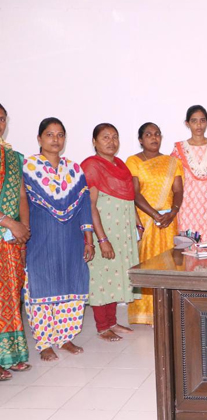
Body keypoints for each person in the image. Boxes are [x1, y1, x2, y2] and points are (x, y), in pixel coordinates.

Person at [23, 118, 94, 361]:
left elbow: (85, 204)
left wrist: (89, 239)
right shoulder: (28, 167)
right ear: (39, 138)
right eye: (50, 134)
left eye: (60, 134)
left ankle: (65, 337)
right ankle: (44, 342)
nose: (55, 139)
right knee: (41, 286)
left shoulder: (74, 170)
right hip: (40, 238)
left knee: (72, 285)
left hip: (71, 240)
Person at [82, 123, 140, 342]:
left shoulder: (121, 165)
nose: (111, 141)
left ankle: (113, 322)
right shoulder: (91, 166)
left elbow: (128, 199)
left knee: (115, 276)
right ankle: (101, 326)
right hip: (104, 231)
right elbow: (91, 206)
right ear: (94, 141)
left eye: (115, 137)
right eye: (105, 137)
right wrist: (102, 239)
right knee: (101, 276)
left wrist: (137, 223)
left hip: (122, 232)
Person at [126, 122, 183, 325]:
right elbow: (134, 192)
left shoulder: (172, 162)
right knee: (147, 262)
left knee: (169, 264)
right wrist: (154, 214)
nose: (154, 137)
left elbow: (178, 191)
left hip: (168, 220)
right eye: (148, 134)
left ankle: (168, 313)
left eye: (157, 134)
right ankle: (146, 314)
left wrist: (173, 212)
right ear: (141, 139)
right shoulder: (133, 161)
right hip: (147, 219)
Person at [0, 103, 32, 380]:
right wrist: (9, 222)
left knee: (11, 296)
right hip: (5, 227)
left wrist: (25, 229)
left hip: (11, 240)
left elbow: (22, 195)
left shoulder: (13, 157)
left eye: (1, 119)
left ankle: (11, 356)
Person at [171, 105, 207, 242]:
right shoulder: (179, 149)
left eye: (202, 120)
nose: (199, 125)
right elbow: (172, 178)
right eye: (194, 121)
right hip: (188, 204)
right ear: (187, 124)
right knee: (189, 245)